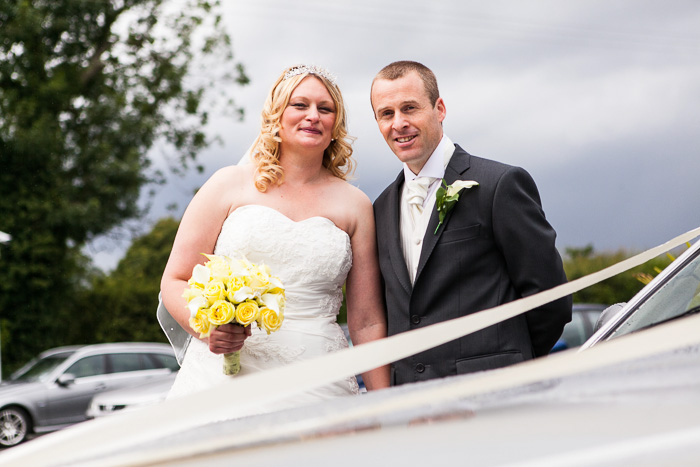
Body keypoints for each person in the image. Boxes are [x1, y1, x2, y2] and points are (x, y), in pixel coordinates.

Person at [161, 64, 390, 412]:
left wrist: (387, 402)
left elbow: (367, 319)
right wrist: (209, 328)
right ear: (277, 116)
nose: (313, 116)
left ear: (335, 126)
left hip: (319, 379)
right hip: (227, 381)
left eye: (325, 109)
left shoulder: (356, 206)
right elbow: (175, 279)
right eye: (300, 105)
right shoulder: (228, 185)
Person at [370, 60, 572, 386]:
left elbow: (550, 298)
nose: (399, 123)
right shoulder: (379, 209)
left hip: (494, 397)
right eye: (386, 114)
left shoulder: (499, 185)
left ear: (440, 109)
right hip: (410, 404)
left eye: (410, 108)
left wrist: (508, 365)